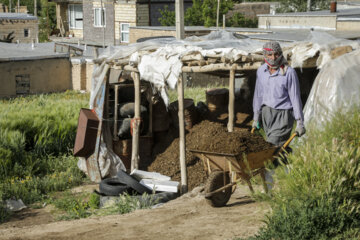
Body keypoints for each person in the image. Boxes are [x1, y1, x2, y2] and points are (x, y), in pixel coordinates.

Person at [252, 41, 306, 147]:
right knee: (278, 147)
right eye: (270, 55)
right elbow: (258, 95)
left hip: (284, 115)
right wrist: (256, 116)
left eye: (276, 54)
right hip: (267, 113)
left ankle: (275, 162)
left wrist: (300, 122)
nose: (273, 57)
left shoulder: (289, 73)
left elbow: (295, 98)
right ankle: (286, 161)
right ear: (265, 55)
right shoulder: (261, 71)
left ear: (280, 54)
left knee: (272, 144)